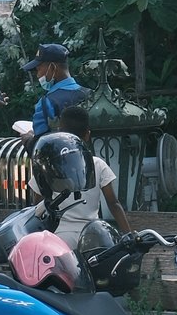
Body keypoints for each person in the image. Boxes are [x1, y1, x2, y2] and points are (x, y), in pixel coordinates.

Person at [50, 102, 125, 250]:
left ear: (59, 132)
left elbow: (37, 206)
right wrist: (130, 234)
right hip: (92, 238)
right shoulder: (98, 164)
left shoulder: (50, 165)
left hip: (57, 239)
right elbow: (113, 204)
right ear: (87, 135)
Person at [27, 43, 86, 136]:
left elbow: (40, 144)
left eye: (38, 69)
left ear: (53, 67)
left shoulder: (46, 103)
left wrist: (27, 140)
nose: (38, 75)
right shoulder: (91, 94)